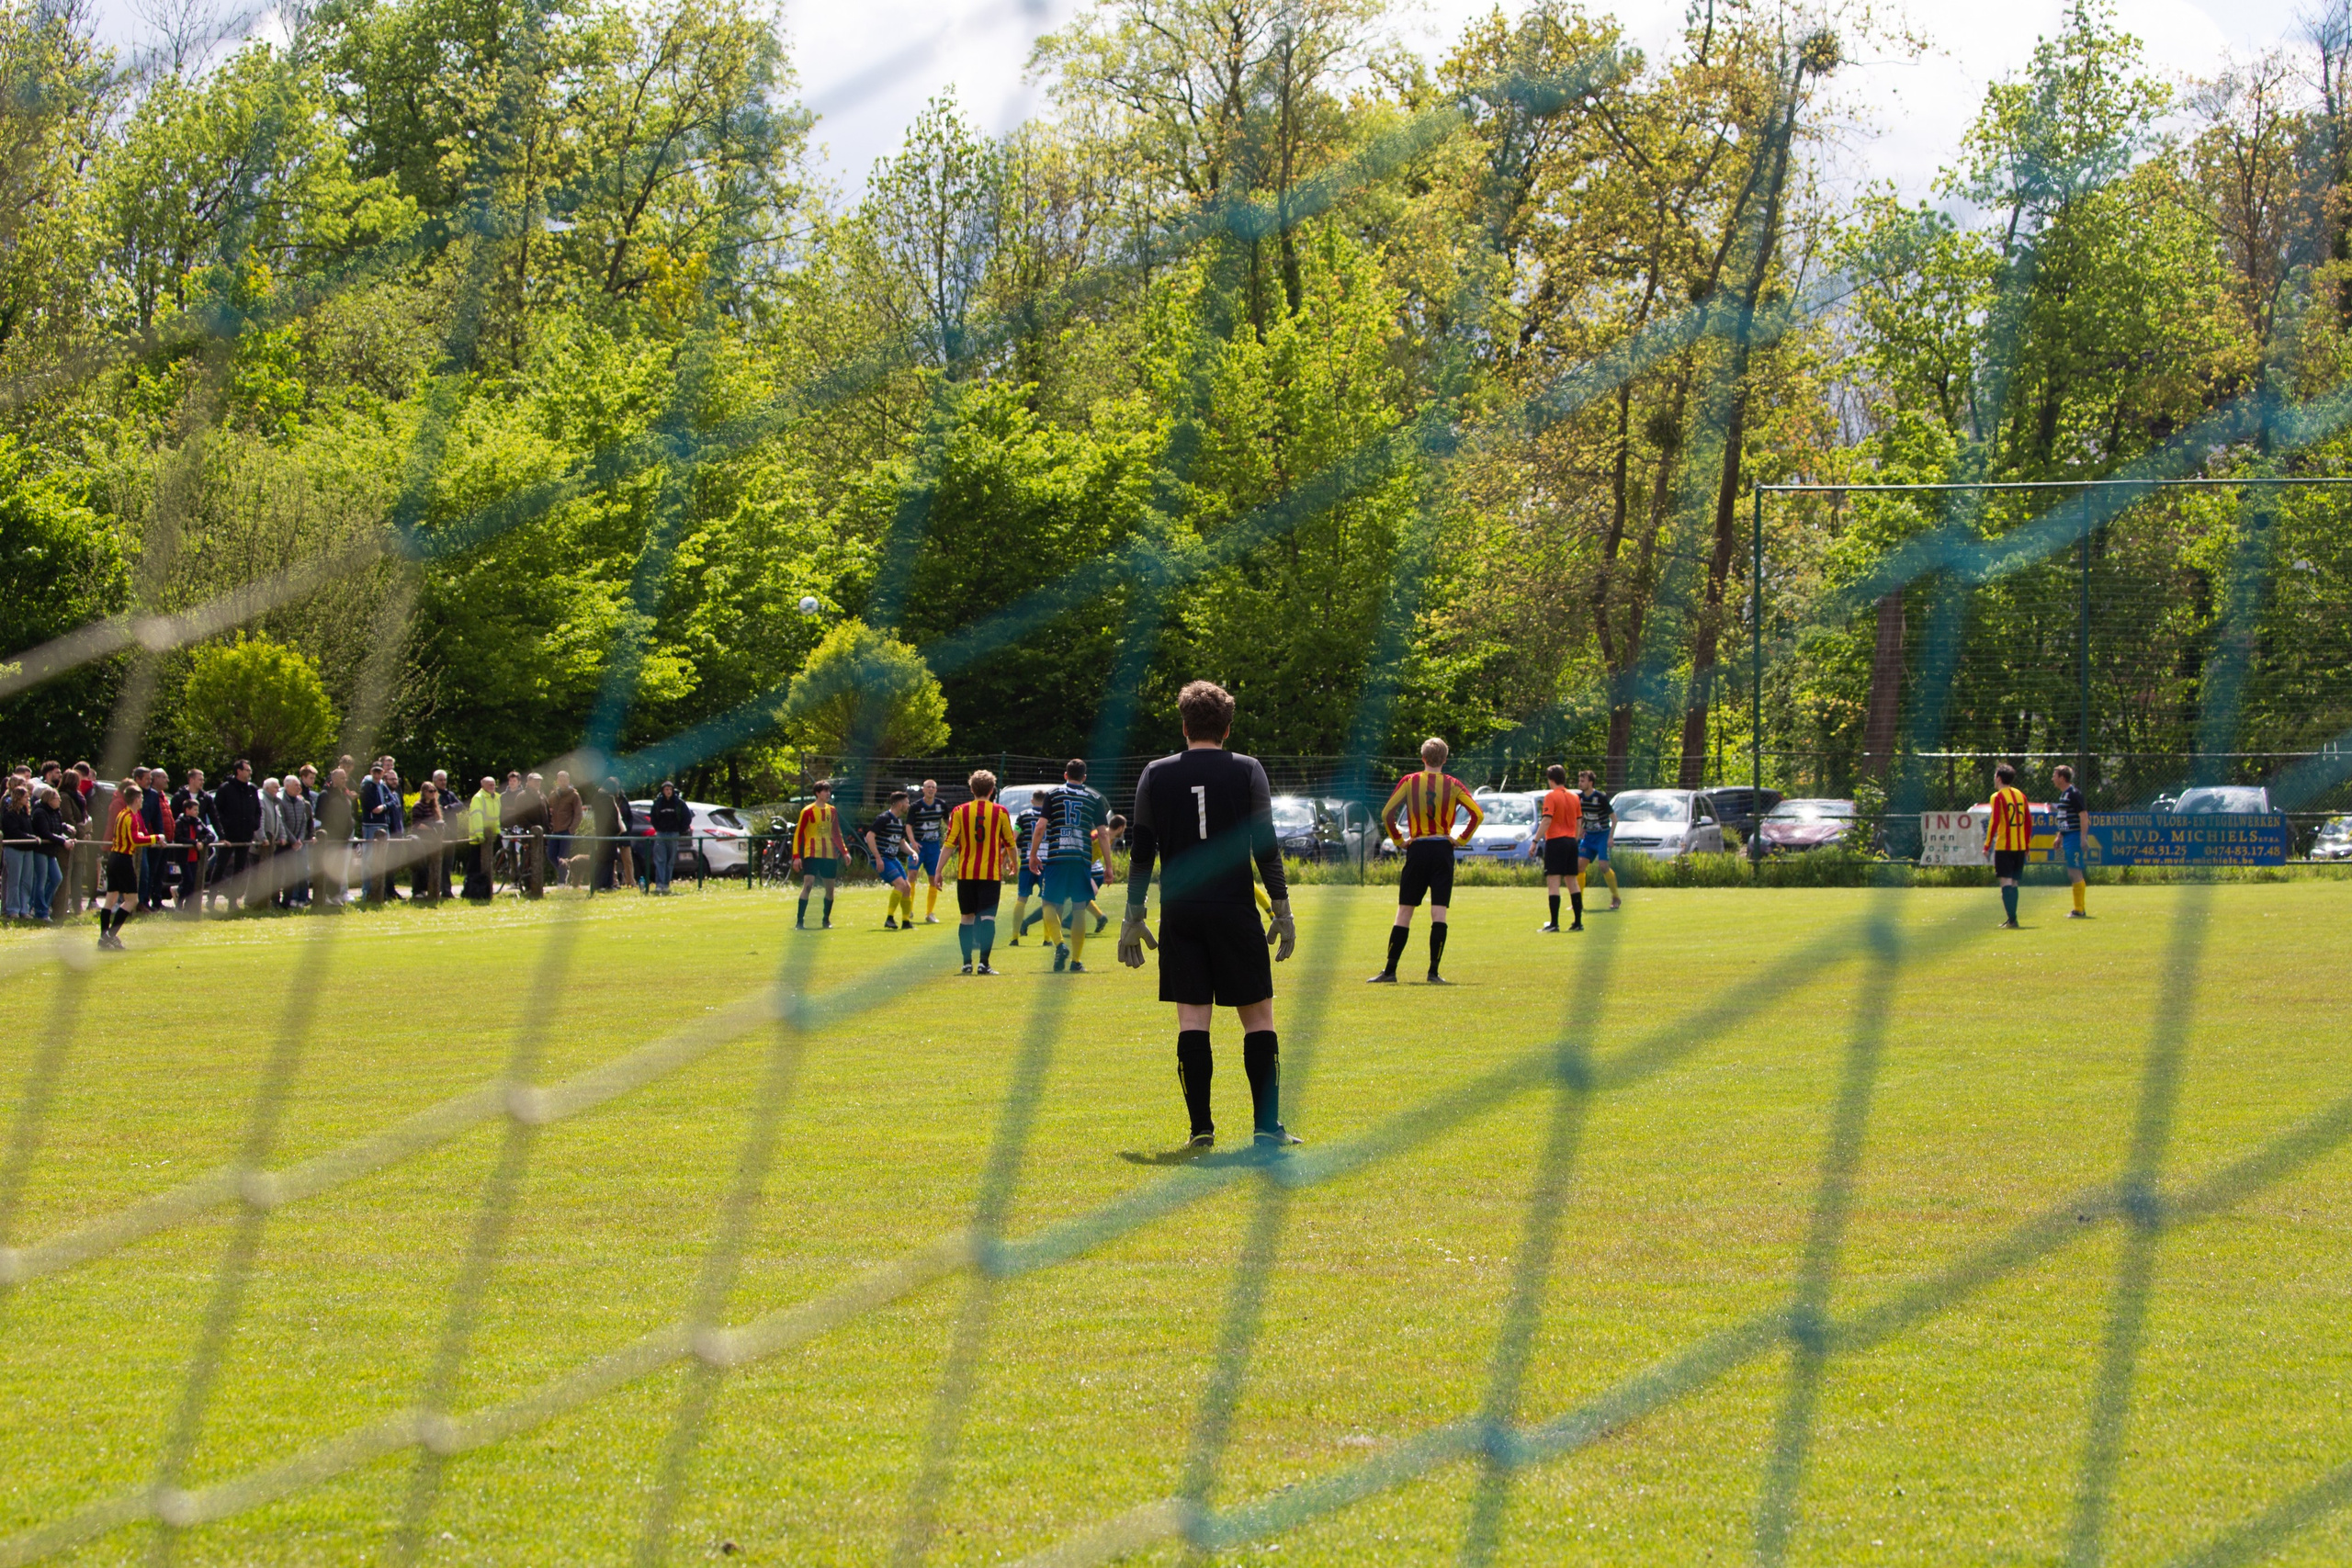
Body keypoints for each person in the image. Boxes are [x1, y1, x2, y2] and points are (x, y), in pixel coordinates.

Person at [1116, 680, 1299, 1149]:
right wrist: (1281, 906)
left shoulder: (1154, 773)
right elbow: (1266, 845)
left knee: (1192, 1021)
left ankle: (1201, 1128)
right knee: (1258, 1020)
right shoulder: (1249, 770)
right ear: (1228, 729)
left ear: (1184, 726)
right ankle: (1266, 1127)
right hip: (1234, 909)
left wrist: (1132, 915)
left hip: (1181, 912)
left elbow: (1141, 852)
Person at [1371, 738, 1483, 984]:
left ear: (1423, 758)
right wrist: (1460, 839)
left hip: (1418, 848)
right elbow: (1477, 814)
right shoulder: (1453, 784)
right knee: (1438, 912)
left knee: (1404, 911)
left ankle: (1389, 971)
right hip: (1442, 849)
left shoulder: (1410, 782)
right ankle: (1433, 973)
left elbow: (1387, 812)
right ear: (1444, 759)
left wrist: (1399, 839)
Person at [1030, 760, 1114, 973]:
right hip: (1081, 859)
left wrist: (1033, 855)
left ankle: (1060, 944)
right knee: (1078, 909)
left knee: (1048, 903)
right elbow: (1103, 834)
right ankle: (1076, 961)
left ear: (1065, 775)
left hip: (1057, 856)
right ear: (1084, 778)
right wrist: (1109, 866)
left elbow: (1040, 827)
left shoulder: (1053, 795)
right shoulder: (1094, 798)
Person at [943, 770, 1016, 973]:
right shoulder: (1000, 812)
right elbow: (1010, 842)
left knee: (967, 917)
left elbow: (950, 843)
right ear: (992, 790)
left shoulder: (959, 811)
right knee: (987, 918)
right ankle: (984, 964)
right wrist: (1014, 863)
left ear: (972, 789)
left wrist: (939, 870)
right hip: (990, 875)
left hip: (966, 874)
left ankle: (967, 963)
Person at [97, 782, 155, 948]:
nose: (142, 800)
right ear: (136, 799)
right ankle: (110, 935)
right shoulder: (130, 816)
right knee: (132, 900)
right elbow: (135, 840)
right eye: (141, 797)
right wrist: (155, 838)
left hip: (114, 858)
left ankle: (104, 937)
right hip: (123, 859)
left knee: (110, 899)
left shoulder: (123, 814)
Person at [792, 780, 849, 929]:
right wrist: (796, 856)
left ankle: (826, 920)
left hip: (830, 855)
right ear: (817, 793)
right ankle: (800, 921)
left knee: (830, 890)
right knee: (808, 885)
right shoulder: (807, 811)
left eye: (829, 791)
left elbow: (836, 833)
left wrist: (845, 852)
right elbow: (798, 834)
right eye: (825, 791)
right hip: (812, 853)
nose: (828, 793)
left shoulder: (832, 811)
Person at [1534, 763, 1583, 932]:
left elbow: (1547, 820)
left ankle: (1554, 923)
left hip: (1556, 841)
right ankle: (1578, 922)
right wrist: (1574, 840)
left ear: (1551, 779)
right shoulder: (1574, 797)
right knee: (1572, 882)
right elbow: (1578, 822)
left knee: (1553, 882)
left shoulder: (1551, 796)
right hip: (1571, 841)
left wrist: (1535, 841)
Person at [1985, 761, 2033, 929]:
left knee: (2005, 882)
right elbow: (2028, 822)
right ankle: (2012, 918)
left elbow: (1995, 822)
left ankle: (2012, 920)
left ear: (1998, 778)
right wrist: (2027, 845)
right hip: (2020, 846)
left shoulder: (1997, 797)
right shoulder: (2021, 795)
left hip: (2005, 846)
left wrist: (1987, 844)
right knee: (2014, 883)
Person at [213, 759, 263, 909]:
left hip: (245, 835)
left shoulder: (252, 789)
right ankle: (211, 899)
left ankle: (233, 901)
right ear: (239, 771)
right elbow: (217, 811)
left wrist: (254, 825)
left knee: (240, 869)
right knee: (220, 866)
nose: (249, 773)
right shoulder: (225, 788)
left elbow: (257, 810)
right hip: (229, 835)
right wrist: (224, 828)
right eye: (247, 770)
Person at [865, 788, 917, 929]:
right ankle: (889, 919)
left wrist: (912, 852)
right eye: (907, 802)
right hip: (883, 858)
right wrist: (878, 858)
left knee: (906, 888)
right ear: (900, 804)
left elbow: (901, 843)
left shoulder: (899, 822)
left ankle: (906, 922)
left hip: (892, 858)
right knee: (901, 885)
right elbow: (869, 837)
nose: (908, 805)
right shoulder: (884, 818)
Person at [1009, 788, 1050, 947]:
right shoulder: (1050, 816)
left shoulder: (1023, 815)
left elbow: (1014, 837)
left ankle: (1014, 938)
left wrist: (1007, 856)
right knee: (1047, 901)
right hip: (1045, 863)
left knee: (1021, 898)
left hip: (1027, 862)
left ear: (1032, 800)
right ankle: (1047, 939)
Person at [1576, 770, 1620, 911]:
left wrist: (1610, 837)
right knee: (1579, 866)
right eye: (1579, 780)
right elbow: (1581, 816)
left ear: (1590, 782)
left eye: (1583, 781)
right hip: (1589, 837)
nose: (1580, 783)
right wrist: (1581, 829)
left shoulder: (1600, 797)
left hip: (1602, 835)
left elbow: (1614, 818)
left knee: (1603, 866)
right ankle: (1578, 902)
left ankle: (1615, 897)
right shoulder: (1579, 798)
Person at [908, 778, 948, 924]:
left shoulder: (941, 805)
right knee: (912, 874)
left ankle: (930, 913)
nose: (931, 789)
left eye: (933, 787)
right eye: (928, 787)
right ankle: (909, 910)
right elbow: (908, 826)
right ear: (923, 790)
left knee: (933, 878)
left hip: (933, 847)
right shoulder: (916, 806)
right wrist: (912, 843)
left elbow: (948, 822)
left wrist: (950, 839)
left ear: (936, 790)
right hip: (918, 847)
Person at [2052, 763, 2088, 919]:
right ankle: (2078, 909)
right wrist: (2060, 836)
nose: (2052, 779)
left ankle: (2079, 910)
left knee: (2075, 871)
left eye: (2055, 775)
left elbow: (2084, 816)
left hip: (2074, 836)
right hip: (2068, 836)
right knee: (2072, 871)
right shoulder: (2064, 795)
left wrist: (2082, 838)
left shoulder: (2074, 794)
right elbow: (2066, 819)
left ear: (2062, 778)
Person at [646, 780, 688, 893]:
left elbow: (687, 818)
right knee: (660, 860)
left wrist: (680, 830)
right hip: (661, 834)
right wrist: (658, 828)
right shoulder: (658, 803)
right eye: (666, 789)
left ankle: (666, 884)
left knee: (670, 861)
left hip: (673, 834)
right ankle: (659, 885)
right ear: (663, 791)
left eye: (670, 789)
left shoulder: (679, 803)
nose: (668, 791)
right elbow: (653, 818)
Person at [278, 775, 314, 908]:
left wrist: (299, 839)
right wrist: (293, 840)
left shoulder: (301, 802)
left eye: (299, 785)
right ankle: (283, 901)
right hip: (286, 843)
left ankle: (296, 900)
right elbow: (282, 823)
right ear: (287, 786)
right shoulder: (281, 802)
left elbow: (304, 821)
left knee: (298, 873)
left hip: (298, 843)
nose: (299, 788)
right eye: (295, 785)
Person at [1, 781, 32, 919]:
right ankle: (12, 909)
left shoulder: (26, 814)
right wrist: (32, 837)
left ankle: (23, 909)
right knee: (14, 881)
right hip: (14, 850)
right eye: (25, 797)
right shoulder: (10, 814)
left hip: (27, 850)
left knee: (26, 881)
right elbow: (14, 832)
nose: (28, 800)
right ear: (18, 798)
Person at [465, 776, 500, 899]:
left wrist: (496, 831)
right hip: (479, 837)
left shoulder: (496, 798)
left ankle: (482, 891)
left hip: (489, 837)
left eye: (493, 784)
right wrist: (479, 834)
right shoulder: (478, 798)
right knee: (475, 865)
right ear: (483, 785)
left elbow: (496, 817)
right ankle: (471, 891)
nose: (492, 786)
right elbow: (476, 816)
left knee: (485, 866)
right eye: (489, 784)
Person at [545, 770, 582, 886]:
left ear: (568, 780)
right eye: (560, 779)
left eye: (564, 779)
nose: (562, 781)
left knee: (562, 857)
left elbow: (578, 814)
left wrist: (571, 828)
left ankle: (561, 882)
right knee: (551, 855)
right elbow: (548, 810)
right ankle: (565, 872)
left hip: (566, 830)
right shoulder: (553, 795)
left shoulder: (574, 795)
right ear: (557, 781)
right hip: (555, 830)